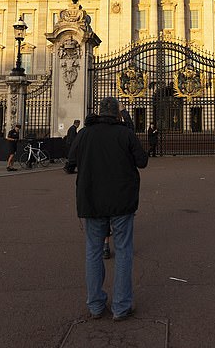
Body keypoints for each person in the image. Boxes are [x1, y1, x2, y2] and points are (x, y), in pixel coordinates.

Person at [66, 96, 148, 322]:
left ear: (99, 111)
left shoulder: (84, 134)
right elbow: (142, 161)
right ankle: (121, 306)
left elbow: (70, 160)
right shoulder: (125, 133)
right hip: (121, 200)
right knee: (123, 252)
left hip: (91, 200)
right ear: (117, 114)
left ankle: (95, 305)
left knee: (93, 253)